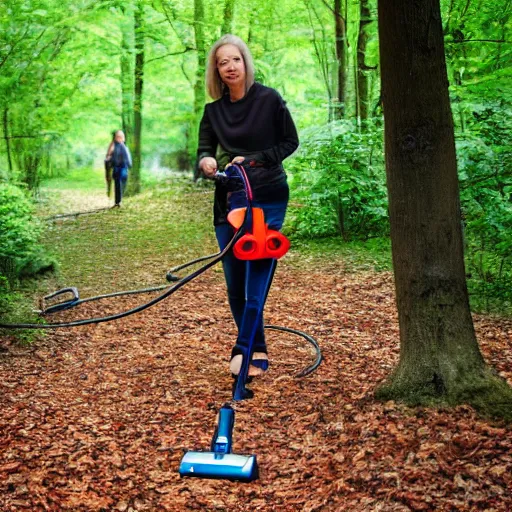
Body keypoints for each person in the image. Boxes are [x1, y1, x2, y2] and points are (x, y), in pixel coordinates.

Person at [197, 34, 299, 378]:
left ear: (245, 62)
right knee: (234, 283)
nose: (229, 66)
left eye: (235, 59)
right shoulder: (213, 112)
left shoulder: (269, 100)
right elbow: (204, 149)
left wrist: (254, 159)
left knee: (257, 279)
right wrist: (207, 161)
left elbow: (290, 141)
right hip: (229, 200)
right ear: (216, 70)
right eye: (222, 62)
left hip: (267, 197)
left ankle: (242, 349)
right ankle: (257, 347)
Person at [106, 130, 132, 207]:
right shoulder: (113, 145)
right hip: (116, 167)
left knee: (122, 182)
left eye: (121, 136)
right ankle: (118, 202)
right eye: (118, 136)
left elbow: (127, 156)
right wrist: (109, 162)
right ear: (115, 137)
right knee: (118, 183)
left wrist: (129, 164)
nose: (120, 138)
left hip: (123, 166)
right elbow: (109, 155)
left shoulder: (123, 146)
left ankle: (119, 200)